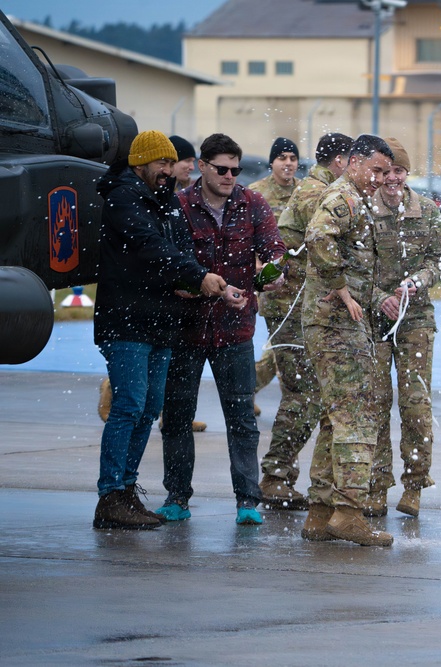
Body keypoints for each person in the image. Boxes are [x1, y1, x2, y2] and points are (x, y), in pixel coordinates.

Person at [92, 130, 228, 529]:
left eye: (171, 164)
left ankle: (127, 491)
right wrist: (196, 275)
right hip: (127, 320)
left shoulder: (166, 202)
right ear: (140, 164)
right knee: (129, 405)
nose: (168, 171)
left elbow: (182, 251)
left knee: (150, 409)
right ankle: (110, 495)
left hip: (161, 321)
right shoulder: (123, 199)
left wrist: (195, 283)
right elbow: (150, 246)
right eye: (161, 164)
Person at [157, 133, 287, 526]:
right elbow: (168, 264)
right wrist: (201, 287)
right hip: (186, 329)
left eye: (236, 169)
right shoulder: (178, 207)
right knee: (178, 418)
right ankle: (177, 497)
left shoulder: (253, 204)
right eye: (223, 169)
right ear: (202, 166)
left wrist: (273, 271)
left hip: (235, 330)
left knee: (242, 418)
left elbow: (275, 248)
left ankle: (247, 500)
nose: (231, 176)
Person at [299, 134, 395, 546]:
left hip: (333, 322)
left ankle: (320, 514)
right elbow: (318, 237)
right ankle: (350, 512)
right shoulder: (346, 197)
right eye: (374, 170)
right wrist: (340, 288)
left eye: (385, 172)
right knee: (358, 415)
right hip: (336, 324)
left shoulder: (352, 195)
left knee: (333, 416)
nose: (379, 178)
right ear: (353, 162)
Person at [256, 132, 353, 510]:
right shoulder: (317, 193)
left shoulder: (317, 186)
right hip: (289, 305)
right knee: (304, 393)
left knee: (304, 392)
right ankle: (276, 476)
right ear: (341, 160)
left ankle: (280, 475)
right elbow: (329, 246)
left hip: (298, 304)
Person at [367, 137, 441, 518]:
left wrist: (415, 282)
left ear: (406, 173)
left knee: (416, 404)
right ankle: (376, 484)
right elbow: (350, 266)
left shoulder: (427, 211)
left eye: (398, 171)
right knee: (375, 403)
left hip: (416, 318)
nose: (391, 178)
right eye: (385, 171)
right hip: (373, 321)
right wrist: (378, 296)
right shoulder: (364, 209)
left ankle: (415, 484)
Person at [250, 137, 301, 408]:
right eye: (282, 158)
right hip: (273, 287)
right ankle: (292, 409)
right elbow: (245, 236)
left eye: (293, 158)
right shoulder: (256, 194)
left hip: (302, 286)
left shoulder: (304, 193)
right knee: (284, 349)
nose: (288, 163)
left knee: (283, 349)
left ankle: (247, 391)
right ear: (272, 162)